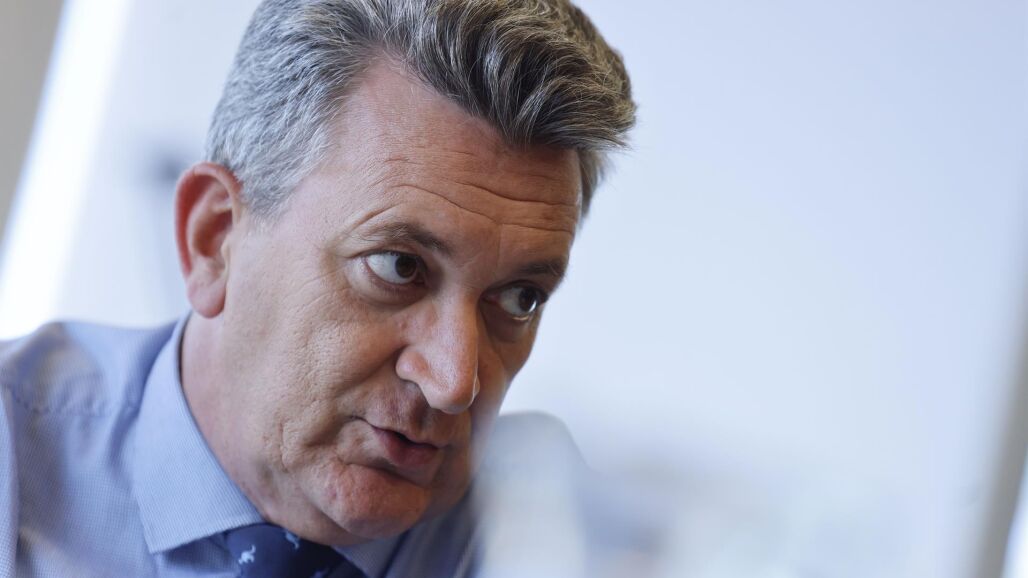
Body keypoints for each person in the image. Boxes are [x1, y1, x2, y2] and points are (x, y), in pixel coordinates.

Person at [0, 0, 635, 575]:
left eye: (519, 298)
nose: (453, 382)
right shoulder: (16, 459)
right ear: (214, 239)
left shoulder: (551, 541)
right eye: (398, 267)